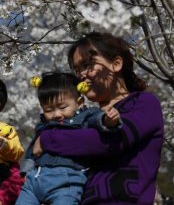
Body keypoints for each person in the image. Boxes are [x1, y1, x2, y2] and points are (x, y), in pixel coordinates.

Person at [33, 32, 164, 204]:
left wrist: (48, 138)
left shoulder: (143, 103)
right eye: (77, 69)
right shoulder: (86, 119)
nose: (81, 75)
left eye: (88, 65)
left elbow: (107, 141)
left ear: (116, 64)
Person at [16, 72, 122, 204]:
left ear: (79, 102)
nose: (57, 114)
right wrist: (25, 172)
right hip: (35, 180)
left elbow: (97, 119)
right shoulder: (43, 126)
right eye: (49, 110)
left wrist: (108, 120)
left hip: (66, 183)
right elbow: (33, 150)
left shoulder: (85, 116)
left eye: (62, 107)